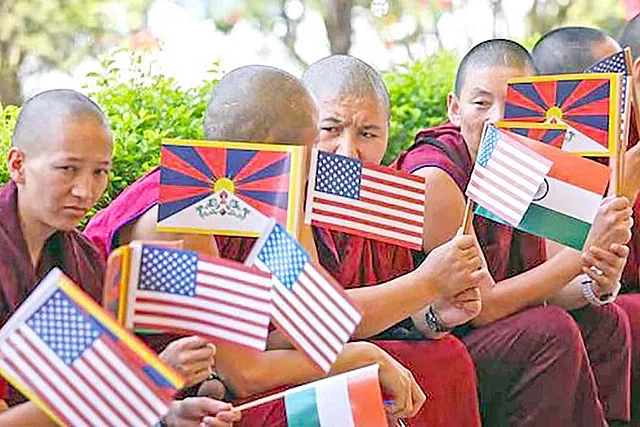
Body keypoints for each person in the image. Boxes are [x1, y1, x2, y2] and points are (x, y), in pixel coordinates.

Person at [85, 65, 439, 426]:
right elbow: (245, 374)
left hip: (219, 375)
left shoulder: (271, 197)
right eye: (305, 154)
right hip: (135, 400)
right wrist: (362, 357)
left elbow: (312, 320)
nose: (313, 171)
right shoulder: (188, 208)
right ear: (269, 152)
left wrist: (427, 315)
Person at [395, 38, 633, 426]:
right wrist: (582, 250)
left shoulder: (523, 159)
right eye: (481, 103)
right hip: (441, 340)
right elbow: (483, 306)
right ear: (454, 108)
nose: (497, 119)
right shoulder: (436, 175)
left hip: (497, 331)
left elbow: (553, 283)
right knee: (549, 330)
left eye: (514, 105)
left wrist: (596, 279)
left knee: (605, 319)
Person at [0, 89, 239, 426]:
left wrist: (170, 416)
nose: (85, 191)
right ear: (18, 165)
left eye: (100, 172)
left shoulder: (82, 259)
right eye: (67, 168)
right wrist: (148, 381)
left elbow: (90, 389)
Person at [290, 54, 482, 426]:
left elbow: (396, 315)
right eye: (330, 130)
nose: (348, 153)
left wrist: (436, 316)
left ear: (388, 135)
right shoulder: (284, 199)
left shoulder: (385, 200)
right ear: (302, 130)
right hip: (299, 359)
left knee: (448, 358)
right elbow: (314, 320)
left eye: (367, 134)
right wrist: (426, 282)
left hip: (364, 348)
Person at [533, 25, 640, 426]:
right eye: (617, 82)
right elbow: (558, 268)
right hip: (548, 308)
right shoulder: (549, 152)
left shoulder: (622, 137)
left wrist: (600, 284)